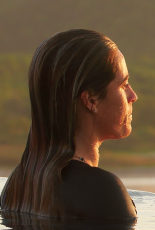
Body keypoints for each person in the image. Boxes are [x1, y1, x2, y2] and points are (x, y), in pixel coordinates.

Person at [0, 29, 138, 220]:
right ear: (91, 100)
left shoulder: (18, 185)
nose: (133, 96)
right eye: (123, 85)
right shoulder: (102, 191)